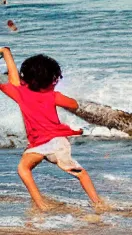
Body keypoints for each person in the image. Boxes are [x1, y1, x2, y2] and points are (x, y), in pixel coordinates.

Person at [0, 48, 104, 211]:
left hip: (42, 144)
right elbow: (74, 104)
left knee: (23, 169)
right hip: (56, 142)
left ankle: (41, 204)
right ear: (52, 80)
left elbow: (13, 80)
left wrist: (6, 53)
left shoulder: (20, 93)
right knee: (79, 173)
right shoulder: (53, 96)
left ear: (26, 79)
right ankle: (98, 203)